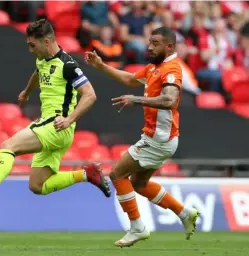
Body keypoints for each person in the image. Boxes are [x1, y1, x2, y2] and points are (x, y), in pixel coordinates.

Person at [0, 19, 111, 210]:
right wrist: (26, 92)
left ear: (46, 41)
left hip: (56, 124)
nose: (30, 50)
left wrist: (69, 119)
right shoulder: (43, 59)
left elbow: (90, 94)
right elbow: (38, 73)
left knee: (8, 146)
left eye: (32, 45)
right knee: (37, 186)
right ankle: (86, 174)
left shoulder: (67, 65)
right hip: (55, 129)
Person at [85, 26, 199, 247]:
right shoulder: (156, 67)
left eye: (155, 43)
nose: (149, 47)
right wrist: (101, 66)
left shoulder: (172, 69)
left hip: (158, 139)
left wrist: (136, 100)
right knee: (139, 182)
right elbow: (130, 79)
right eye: (149, 42)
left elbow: (169, 100)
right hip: (160, 138)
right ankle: (184, 212)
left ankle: (137, 227)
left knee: (117, 174)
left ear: (169, 47)